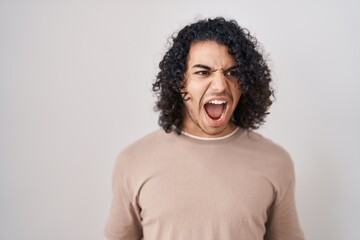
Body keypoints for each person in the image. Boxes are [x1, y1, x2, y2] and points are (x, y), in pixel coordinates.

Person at [104, 17, 304, 240]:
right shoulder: (134, 161)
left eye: (232, 73)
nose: (220, 85)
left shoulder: (275, 162)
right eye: (203, 72)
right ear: (181, 83)